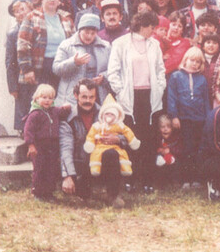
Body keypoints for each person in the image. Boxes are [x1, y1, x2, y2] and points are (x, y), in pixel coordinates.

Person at [107, 10, 166, 193]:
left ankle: (148, 180)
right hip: (129, 99)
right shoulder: (121, 43)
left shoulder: (154, 44)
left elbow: (160, 70)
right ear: (142, 26)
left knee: (149, 140)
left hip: (150, 97)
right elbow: (113, 71)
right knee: (131, 138)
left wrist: (160, 86)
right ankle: (129, 179)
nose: (153, 31)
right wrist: (121, 92)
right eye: (151, 27)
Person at [60, 79, 127, 207]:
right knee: (82, 195)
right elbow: (65, 148)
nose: (88, 101)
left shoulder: (106, 113)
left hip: (102, 159)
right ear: (76, 96)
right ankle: (85, 189)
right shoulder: (69, 118)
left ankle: (113, 195)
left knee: (112, 153)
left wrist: (118, 139)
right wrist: (67, 176)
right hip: (81, 163)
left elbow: (126, 134)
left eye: (91, 97)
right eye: (84, 97)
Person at [18, 0, 76, 90]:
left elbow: (74, 43)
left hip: (61, 66)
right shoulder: (31, 17)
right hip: (40, 67)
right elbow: (23, 45)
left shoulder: (67, 18)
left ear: (59, 1)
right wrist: (27, 69)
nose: (52, 0)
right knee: (41, 101)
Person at [167, 47, 210, 189]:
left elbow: (206, 100)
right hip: (183, 118)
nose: (195, 64)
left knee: (198, 148)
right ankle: (185, 179)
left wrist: (208, 119)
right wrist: (174, 116)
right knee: (186, 148)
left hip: (199, 119)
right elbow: (172, 97)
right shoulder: (176, 76)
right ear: (185, 60)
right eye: (192, 60)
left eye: (198, 62)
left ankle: (196, 178)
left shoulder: (202, 79)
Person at [23, 84, 71, 201]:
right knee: (40, 169)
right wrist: (31, 145)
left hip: (52, 146)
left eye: (50, 98)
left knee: (51, 169)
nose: (47, 100)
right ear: (36, 98)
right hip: (39, 146)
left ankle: (48, 193)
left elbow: (62, 113)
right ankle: (38, 193)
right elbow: (28, 131)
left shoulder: (54, 111)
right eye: (44, 97)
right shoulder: (35, 114)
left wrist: (66, 108)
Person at [53, 13, 111, 106]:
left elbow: (113, 70)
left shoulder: (106, 46)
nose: (89, 36)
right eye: (86, 32)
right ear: (80, 30)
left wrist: (103, 77)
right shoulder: (66, 45)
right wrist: (74, 62)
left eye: (93, 33)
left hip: (98, 96)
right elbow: (56, 69)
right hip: (71, 97)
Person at [83, 94, 141, 177]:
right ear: (102, 115)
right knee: (96, 154)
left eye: (112, 114)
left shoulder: (119, 125)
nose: (109, 116)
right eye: (107, 114)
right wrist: (90, 143)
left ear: (117, 116)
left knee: (122, 154)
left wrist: (133, 141)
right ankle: (95, 169)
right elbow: (91, 135)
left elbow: (128, 132)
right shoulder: (98, 125)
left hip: (115, 146)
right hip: (100, 146)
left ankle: (125, 168)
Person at [6, 0, 32, 133]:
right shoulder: (13, 34)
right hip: (21, 81)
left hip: (37, 76)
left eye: (23, 9)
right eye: (17, 11)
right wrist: (13, 87)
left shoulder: (37, 27)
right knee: (24, 113)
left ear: (29, 9)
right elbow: (10, 62)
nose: (21, 13)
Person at [163, 11, 192, 76]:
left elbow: (174, 62)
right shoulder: (161, 39)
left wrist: (158, 72)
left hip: (169, 76)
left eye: (180, 26)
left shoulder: (184, 43)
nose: (176, 28)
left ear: (182, 30)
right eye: (174, 24)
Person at [200, 34, 220, 105]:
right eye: (208, 42)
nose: (211, 45)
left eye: (214, 43)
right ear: (203, 46)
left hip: (216, 96)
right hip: (201, 95)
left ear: (219, 47)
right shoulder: (199, 59)